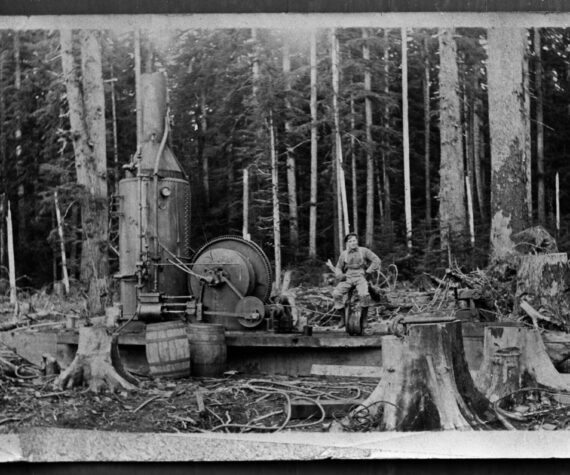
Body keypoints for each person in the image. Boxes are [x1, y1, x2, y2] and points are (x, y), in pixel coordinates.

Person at [332, 233, 381, 328]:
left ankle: (364, 320)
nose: (353, 243)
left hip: (360, 277)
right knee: (336, 294)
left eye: (354, 240)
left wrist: (369, 271)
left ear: (357, 241)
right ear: (347, 243)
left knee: (364, 295)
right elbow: (338, 267)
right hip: (348, 277)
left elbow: (377, 260)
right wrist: (339, 275)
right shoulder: (344, 254)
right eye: (350, 241)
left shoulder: (364, 251)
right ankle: (343, 319)